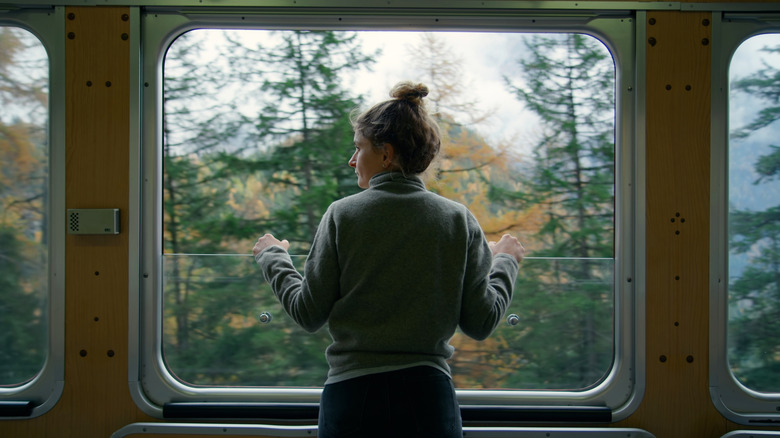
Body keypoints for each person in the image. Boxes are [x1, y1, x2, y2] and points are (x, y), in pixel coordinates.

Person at [253, 81, 524, 438]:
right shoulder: (458, 219)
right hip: (429, 402)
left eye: (359, 148)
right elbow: (481, 322)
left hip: (353, 399)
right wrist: (505, 261)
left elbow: (308, 313)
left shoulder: (342, 215)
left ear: (386, 154)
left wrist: (274, 257)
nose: (352, 160)